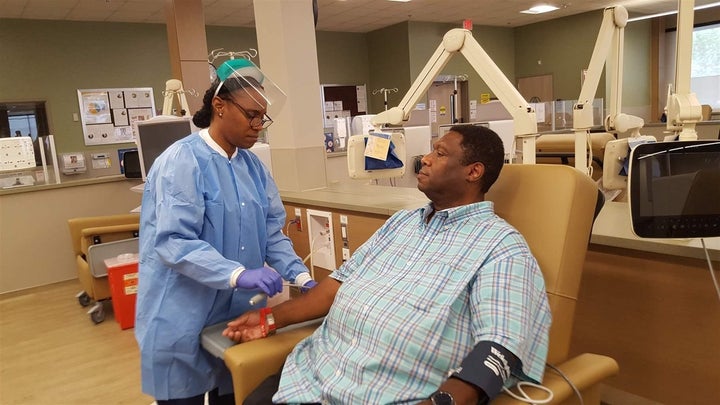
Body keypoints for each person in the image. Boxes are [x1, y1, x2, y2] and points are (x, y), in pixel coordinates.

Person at [224, 125, 552, 404]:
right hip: (310, 377)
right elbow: (336, 286)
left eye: (440, 153)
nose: (424, 159)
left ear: (473, 171)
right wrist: (269, 319)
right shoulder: (402, 223)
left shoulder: (501, 247)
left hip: (387, 394)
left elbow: (499, 348)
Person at [135, 58, 316, 405]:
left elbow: (271, 233)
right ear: (219, 106)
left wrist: (302, 276)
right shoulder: (181, 162)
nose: (259, 125)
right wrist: (237, 274)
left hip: (236, 318)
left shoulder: (253, 168)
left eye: (263, 117)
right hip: (181, 314)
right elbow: (174, 241)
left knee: (233, 393)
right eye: (251, 115)